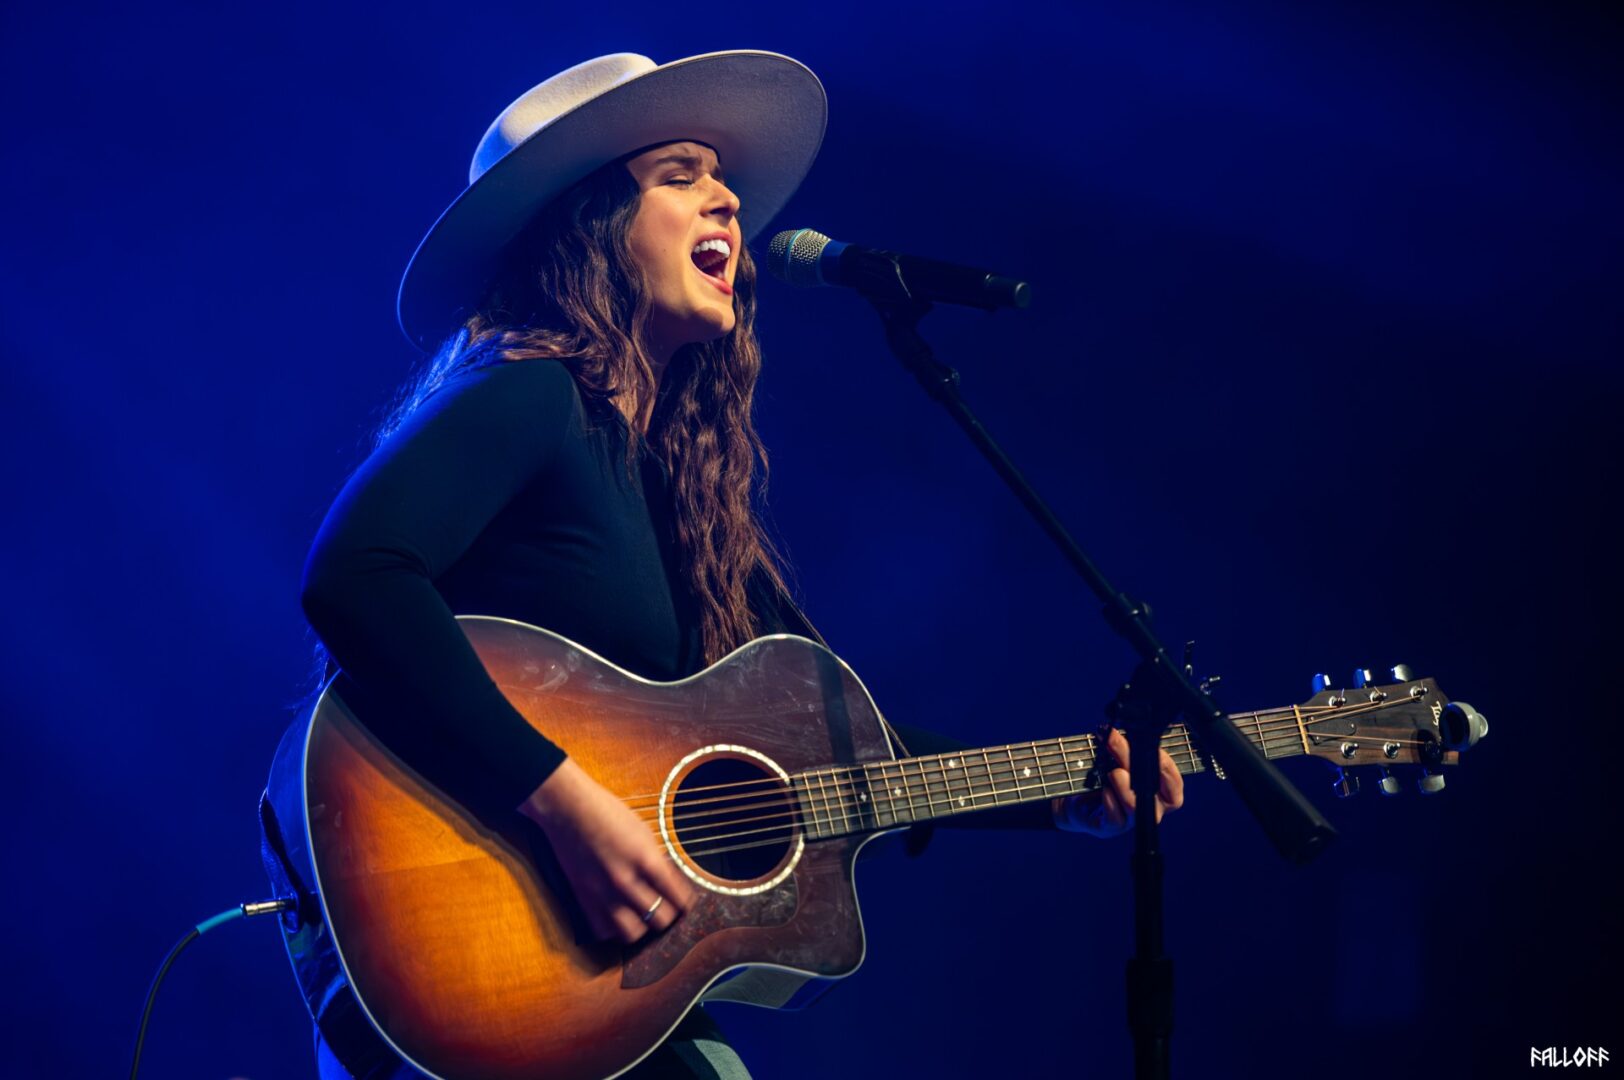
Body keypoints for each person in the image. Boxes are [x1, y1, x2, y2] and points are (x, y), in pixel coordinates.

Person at [265, 50, 1185, 1080]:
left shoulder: (678, 488)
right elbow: (356, 575)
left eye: (722, 179)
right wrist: (562, 801)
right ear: (589, 227)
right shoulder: (530, 392)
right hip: (467, 946)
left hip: (591, 987)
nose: (730, 200)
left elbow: (842, 748)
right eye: (680, 175)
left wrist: (1057, 794)